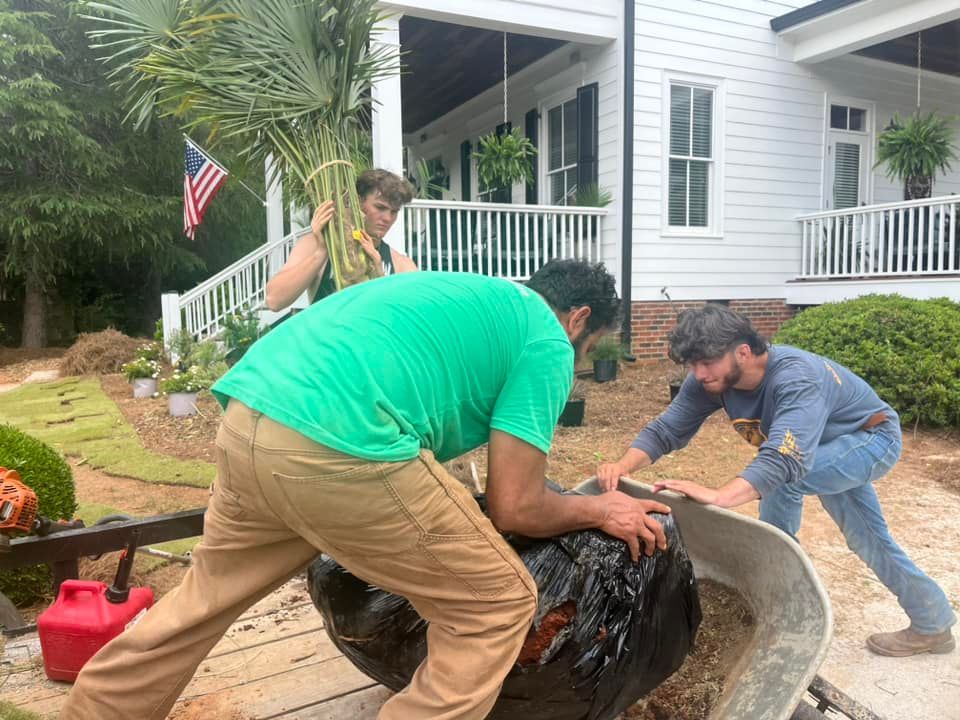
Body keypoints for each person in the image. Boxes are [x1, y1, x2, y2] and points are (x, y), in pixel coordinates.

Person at [63, 260, 672, 720]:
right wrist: (600, 506)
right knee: (495, 605)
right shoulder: (545, 337)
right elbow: (518, 504)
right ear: (579, 319)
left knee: (203, 599)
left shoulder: (472, 296)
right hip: (336, 442)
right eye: (586, 351)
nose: (578, 360)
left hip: (250, 416)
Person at [596, 303, 956, 658]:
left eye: (706, 362)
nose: (699, 373)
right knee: (869, 539)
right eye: (693, 364)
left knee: (784, 480)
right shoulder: (711, 381)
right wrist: (622, 466)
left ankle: (778, 609)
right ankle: (932, 623)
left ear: (743, 351)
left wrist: (721, 496)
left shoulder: (795, 377)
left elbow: (784, 459)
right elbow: (667, 428)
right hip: (822, 449)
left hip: (871, 441)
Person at [264, 168, 418, 312]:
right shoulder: (316, 245)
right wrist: (321, 252)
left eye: (394, 212)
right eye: (380, 207)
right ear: (358, 202)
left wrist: (379, 271)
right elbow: (274, 300)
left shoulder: (402, 265)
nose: (387, 218)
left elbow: (411, 318)